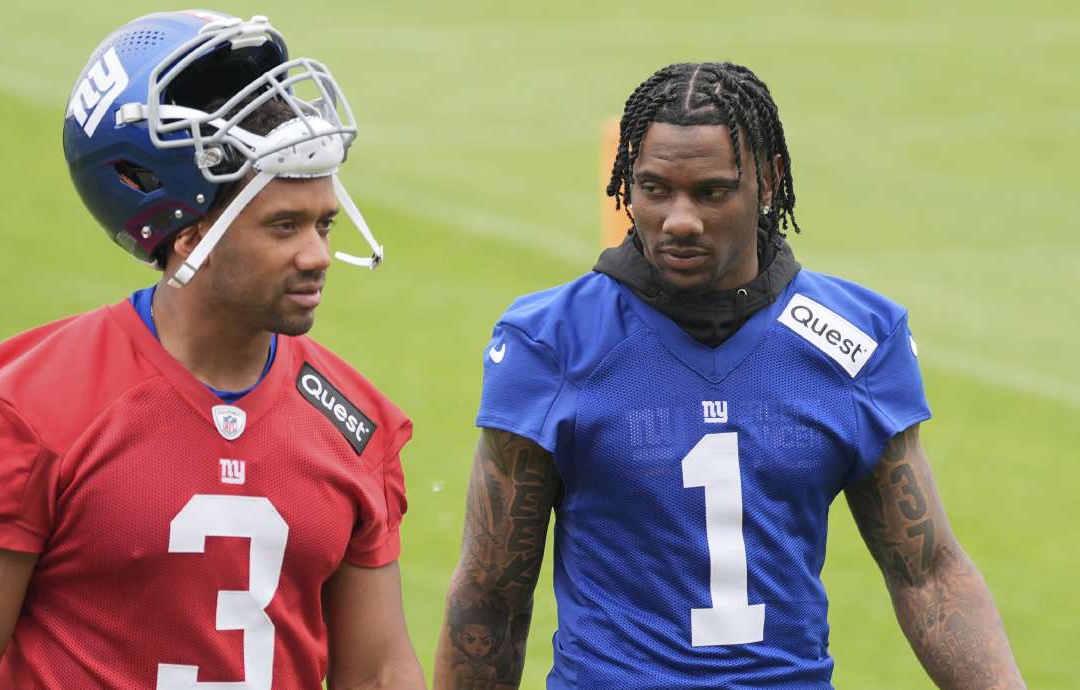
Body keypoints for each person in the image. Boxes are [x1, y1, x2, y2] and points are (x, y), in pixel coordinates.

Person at [434, 62, 1025, 688]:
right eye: (655, 189)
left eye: (711, 192)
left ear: (767, 182)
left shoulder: (853, 340)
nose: (679, 219)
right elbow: (490, 596)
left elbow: (928, 573)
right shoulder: (551, 342)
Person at [0, 10, 423, 689]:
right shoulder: (24, 410)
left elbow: (380, 671)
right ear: (189, 236)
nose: (318, 254)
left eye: (324, 222)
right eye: (284, 226)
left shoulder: (357, 424)